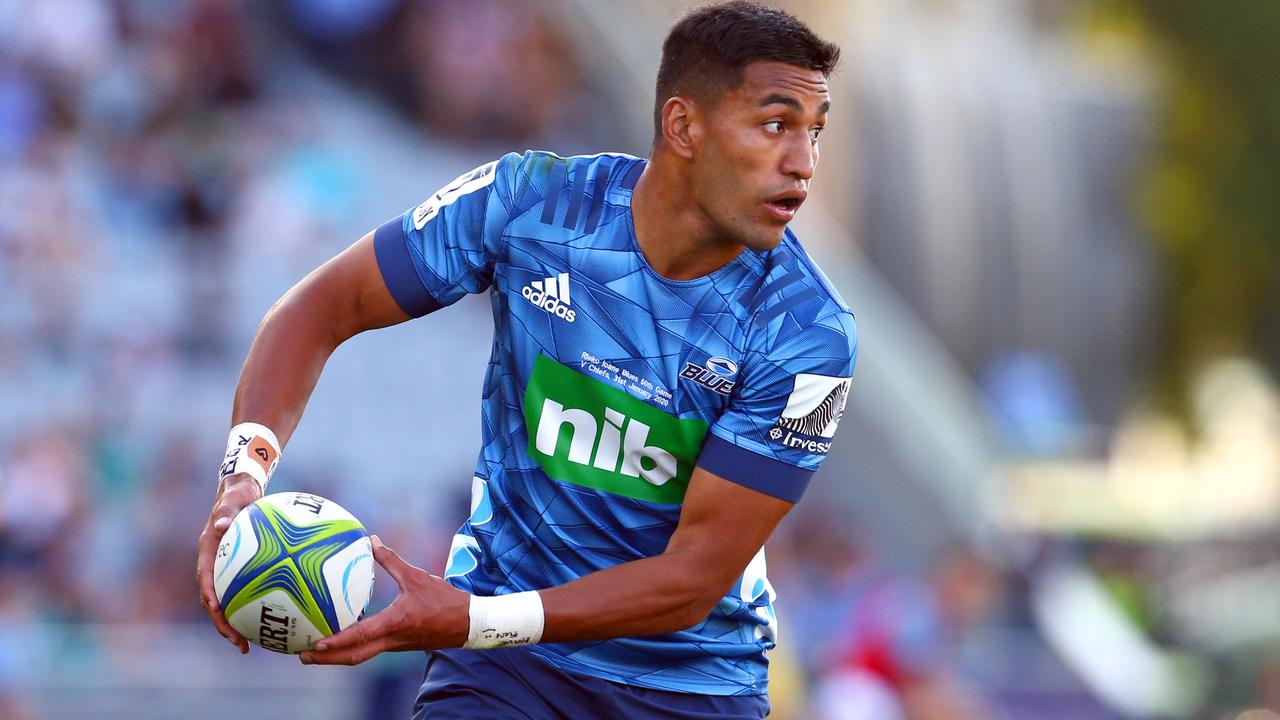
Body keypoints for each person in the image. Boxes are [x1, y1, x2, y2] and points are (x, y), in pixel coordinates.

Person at [196, 2, 856, 718]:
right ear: (683, 125)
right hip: (508, 675)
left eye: (814, 133)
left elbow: (692, 580)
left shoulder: (809, 334)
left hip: (688, 687)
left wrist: (472, 620)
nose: (804, 163)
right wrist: (243, 473)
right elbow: (315, 311)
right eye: (775, 126)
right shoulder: (533, 203)